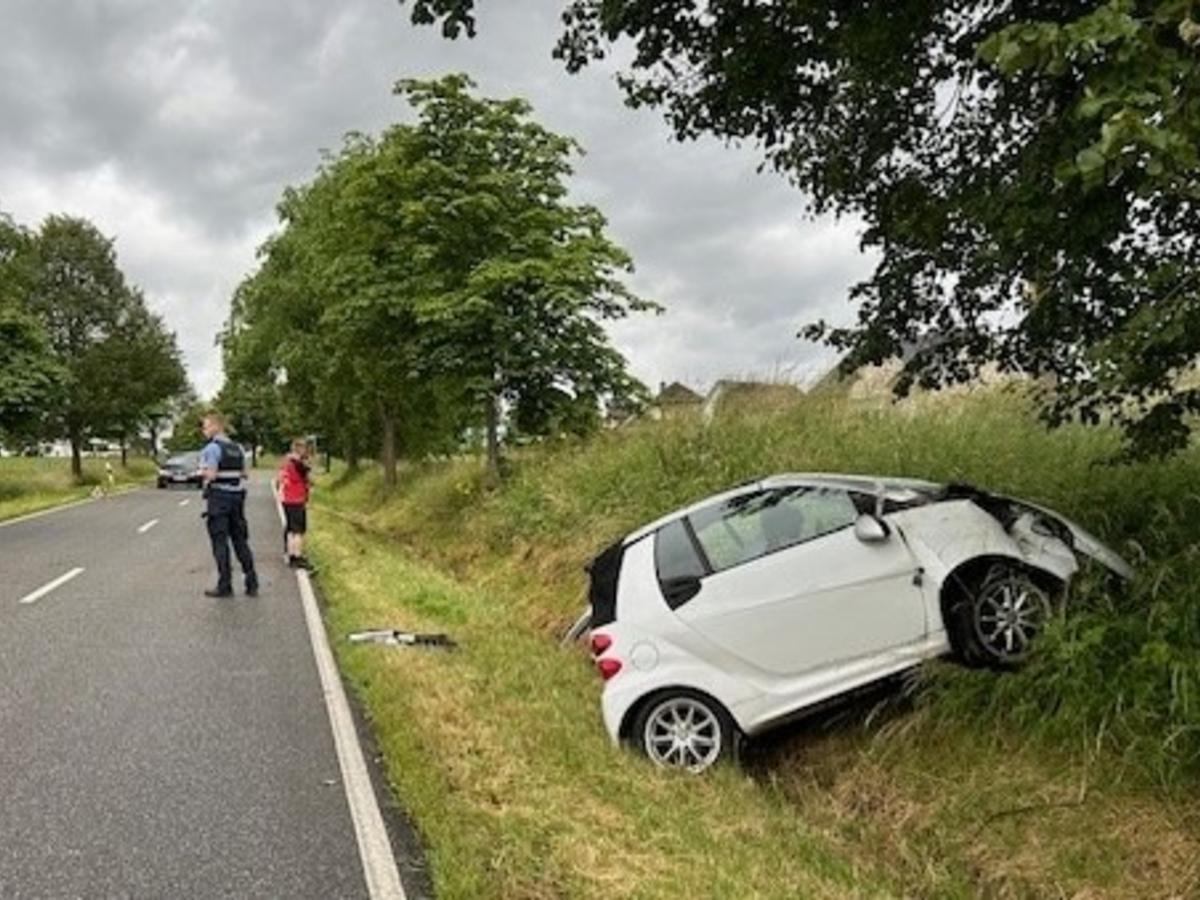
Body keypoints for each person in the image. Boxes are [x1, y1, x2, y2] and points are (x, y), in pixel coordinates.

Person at [199, 411, 258, 598]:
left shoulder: (212, 448)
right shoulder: (238, 448)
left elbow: (211, 475)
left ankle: (225, 585)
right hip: (237, 497)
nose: (203, 430)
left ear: (216, 427)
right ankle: (251, 582)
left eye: (206, 426)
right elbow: (245, 474)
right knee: (240, 540)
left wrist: (200, 471)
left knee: (220, 542)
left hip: (219, 497)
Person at [276, 437, 313, 569]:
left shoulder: (286, 461)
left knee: (291, 528)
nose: (306, 451)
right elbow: (309, 478)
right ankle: (297, 557)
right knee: (298, 530)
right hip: (296, 499)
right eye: (305, 448)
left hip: (287, 498)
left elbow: (279, 477)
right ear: (299, 449)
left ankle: (290, 554)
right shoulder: (298, 463)